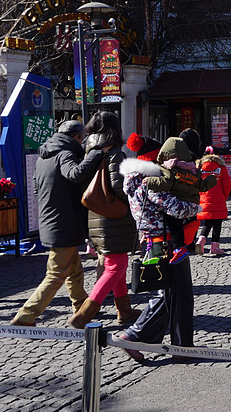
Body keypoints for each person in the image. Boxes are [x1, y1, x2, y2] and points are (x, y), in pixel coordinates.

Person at [118, 135, 203, 361]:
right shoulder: (150, 180)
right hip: (164, 244)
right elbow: (175, 208)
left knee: (177, 297)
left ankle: (182, 348)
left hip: (157, 242)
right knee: (167, 297)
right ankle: (134, 336)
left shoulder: (135, 178)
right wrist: (196, 206)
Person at [11, 120, 104, 326]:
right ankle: (26, 314)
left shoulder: (44, 156)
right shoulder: (65, 154)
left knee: (74, 268)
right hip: (64, 222)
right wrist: (96, 154)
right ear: (77, 138)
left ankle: (81, 305)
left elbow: (36, 189)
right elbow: (76, 174)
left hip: (50, 220)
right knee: (55, 274)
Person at [70, 112, 139, 329]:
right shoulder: (114, 153)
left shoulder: (89, 151)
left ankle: (124, 311)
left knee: (115, 263)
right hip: (114, 217)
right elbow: (119, 187)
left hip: (96, 216)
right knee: (115, 266)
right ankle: (84, 315)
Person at [142, 137, 216, 264]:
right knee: (186, 224)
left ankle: (178, 248)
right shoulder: (193, 169)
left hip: (178, 202)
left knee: (171, 220)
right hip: (193, 204)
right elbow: (202, 186)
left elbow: (166, 183)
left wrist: (149, 181)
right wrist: (212, 179)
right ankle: (189, 242)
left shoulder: (169, 168)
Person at [195, 151, 231, 255]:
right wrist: (224, 197)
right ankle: (215, 246)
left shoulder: (200, 168)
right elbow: (227, 185)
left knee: (207, 222)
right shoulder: (221, 168)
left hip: (203, 199)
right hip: (218, 198)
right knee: (217, 223)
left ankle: (201, 240)